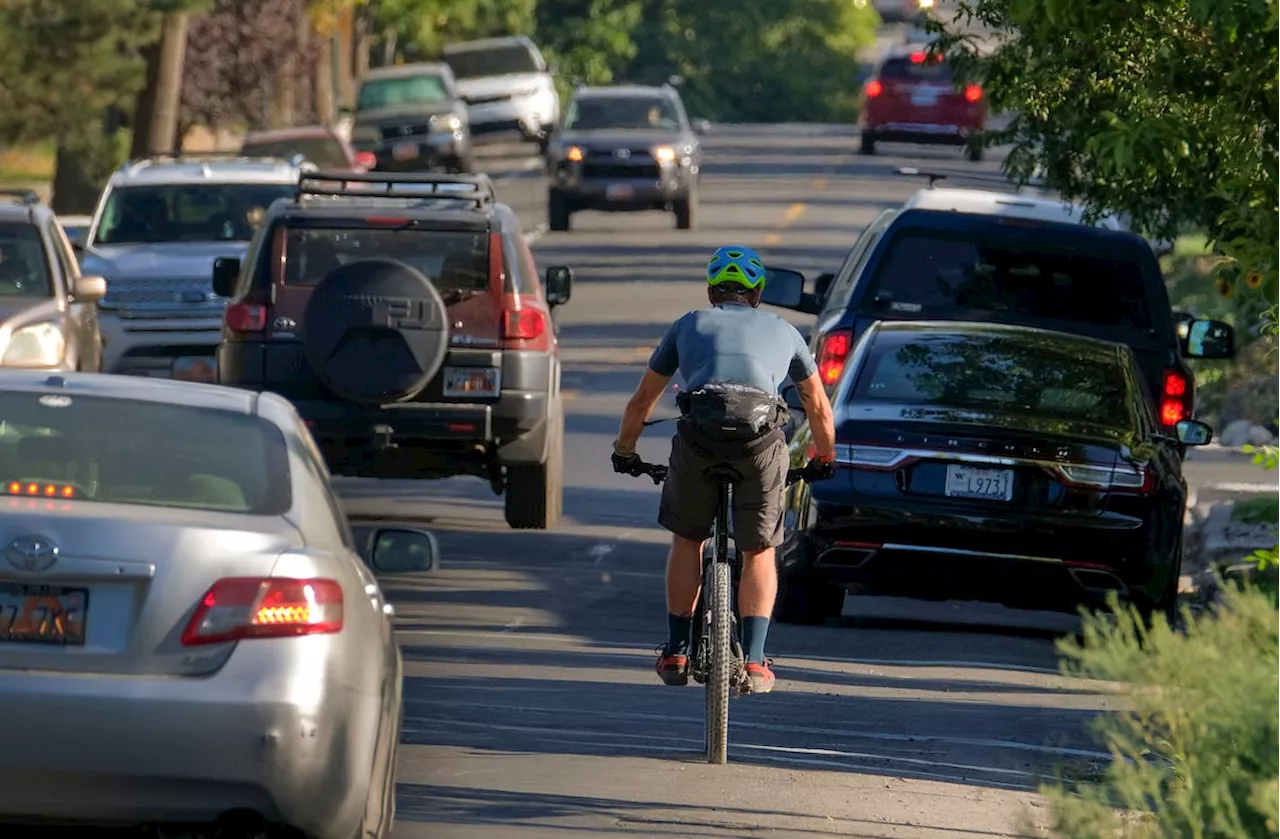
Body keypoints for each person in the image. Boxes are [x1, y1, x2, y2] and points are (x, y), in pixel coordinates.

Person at [611, 245, 838, 695]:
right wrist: (824, 459)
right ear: (757, 295)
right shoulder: (785, 331)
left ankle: (677, 649)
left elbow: (642, 403)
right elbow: (817, 407)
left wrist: (626, 451)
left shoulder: (688, 325)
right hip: (759, 445)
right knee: (759, 550)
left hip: (699, 441)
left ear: (712, 291)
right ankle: (754, 662)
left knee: (688, 539)